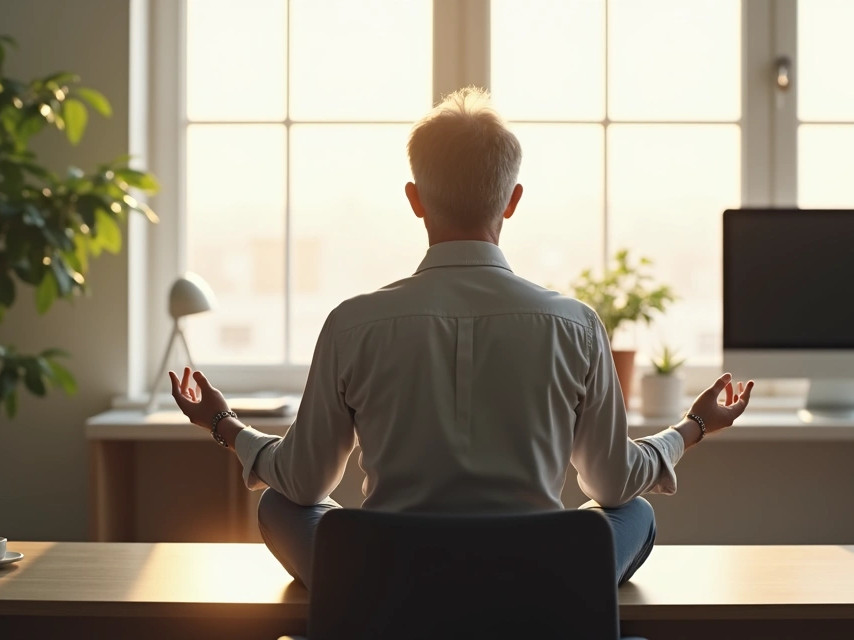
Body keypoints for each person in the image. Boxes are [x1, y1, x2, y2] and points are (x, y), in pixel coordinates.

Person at [169, 87, 754, 589]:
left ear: (415, 199)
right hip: (536, 575)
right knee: (637, 513)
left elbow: (302, 482)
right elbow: (613, 481)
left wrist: (225, 427)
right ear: (513, 200)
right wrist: (690, 430)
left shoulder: (353, 323)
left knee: (279, 504)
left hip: (386, 574)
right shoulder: (575, 325)